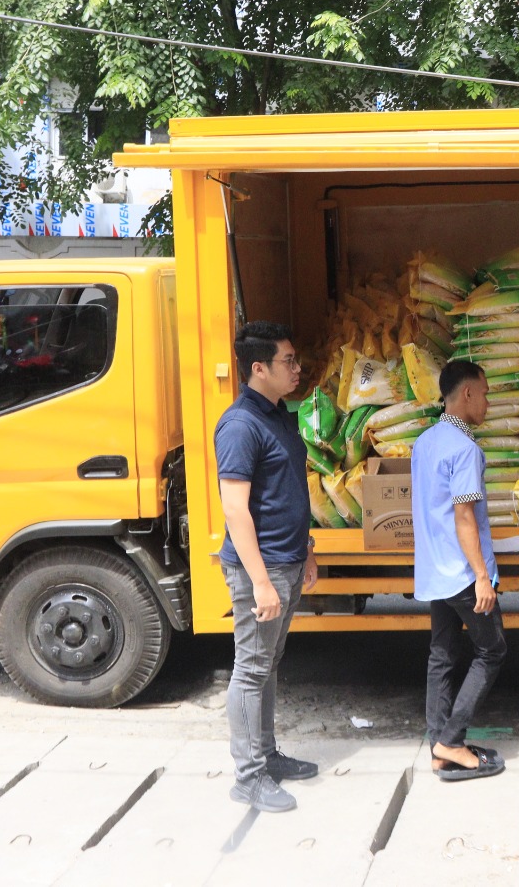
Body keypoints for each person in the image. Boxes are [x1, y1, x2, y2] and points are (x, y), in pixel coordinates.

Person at [214, 321, 319, 813]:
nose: (297, 369)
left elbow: (290, 492)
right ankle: (248, 776)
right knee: (251, 669)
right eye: (289, 362)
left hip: (289, 560)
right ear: (259, 368)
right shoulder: (240, 425)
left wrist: (309, 550)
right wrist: (259, 581)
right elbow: (235, 509)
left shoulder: (279, 415)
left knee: (268, 665)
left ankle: (268, 755)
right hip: (263, 568)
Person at [413, 359, 507, 782]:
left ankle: (439, 745)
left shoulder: (426, 441)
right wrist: (482, 576)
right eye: (485, 393)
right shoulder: (464, 449)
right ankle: (451, 741)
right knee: (492, 650)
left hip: (435, 570)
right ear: (466, 393)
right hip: (464, 574)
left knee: (443, 654)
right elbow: (464, 516)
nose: (487, 402)